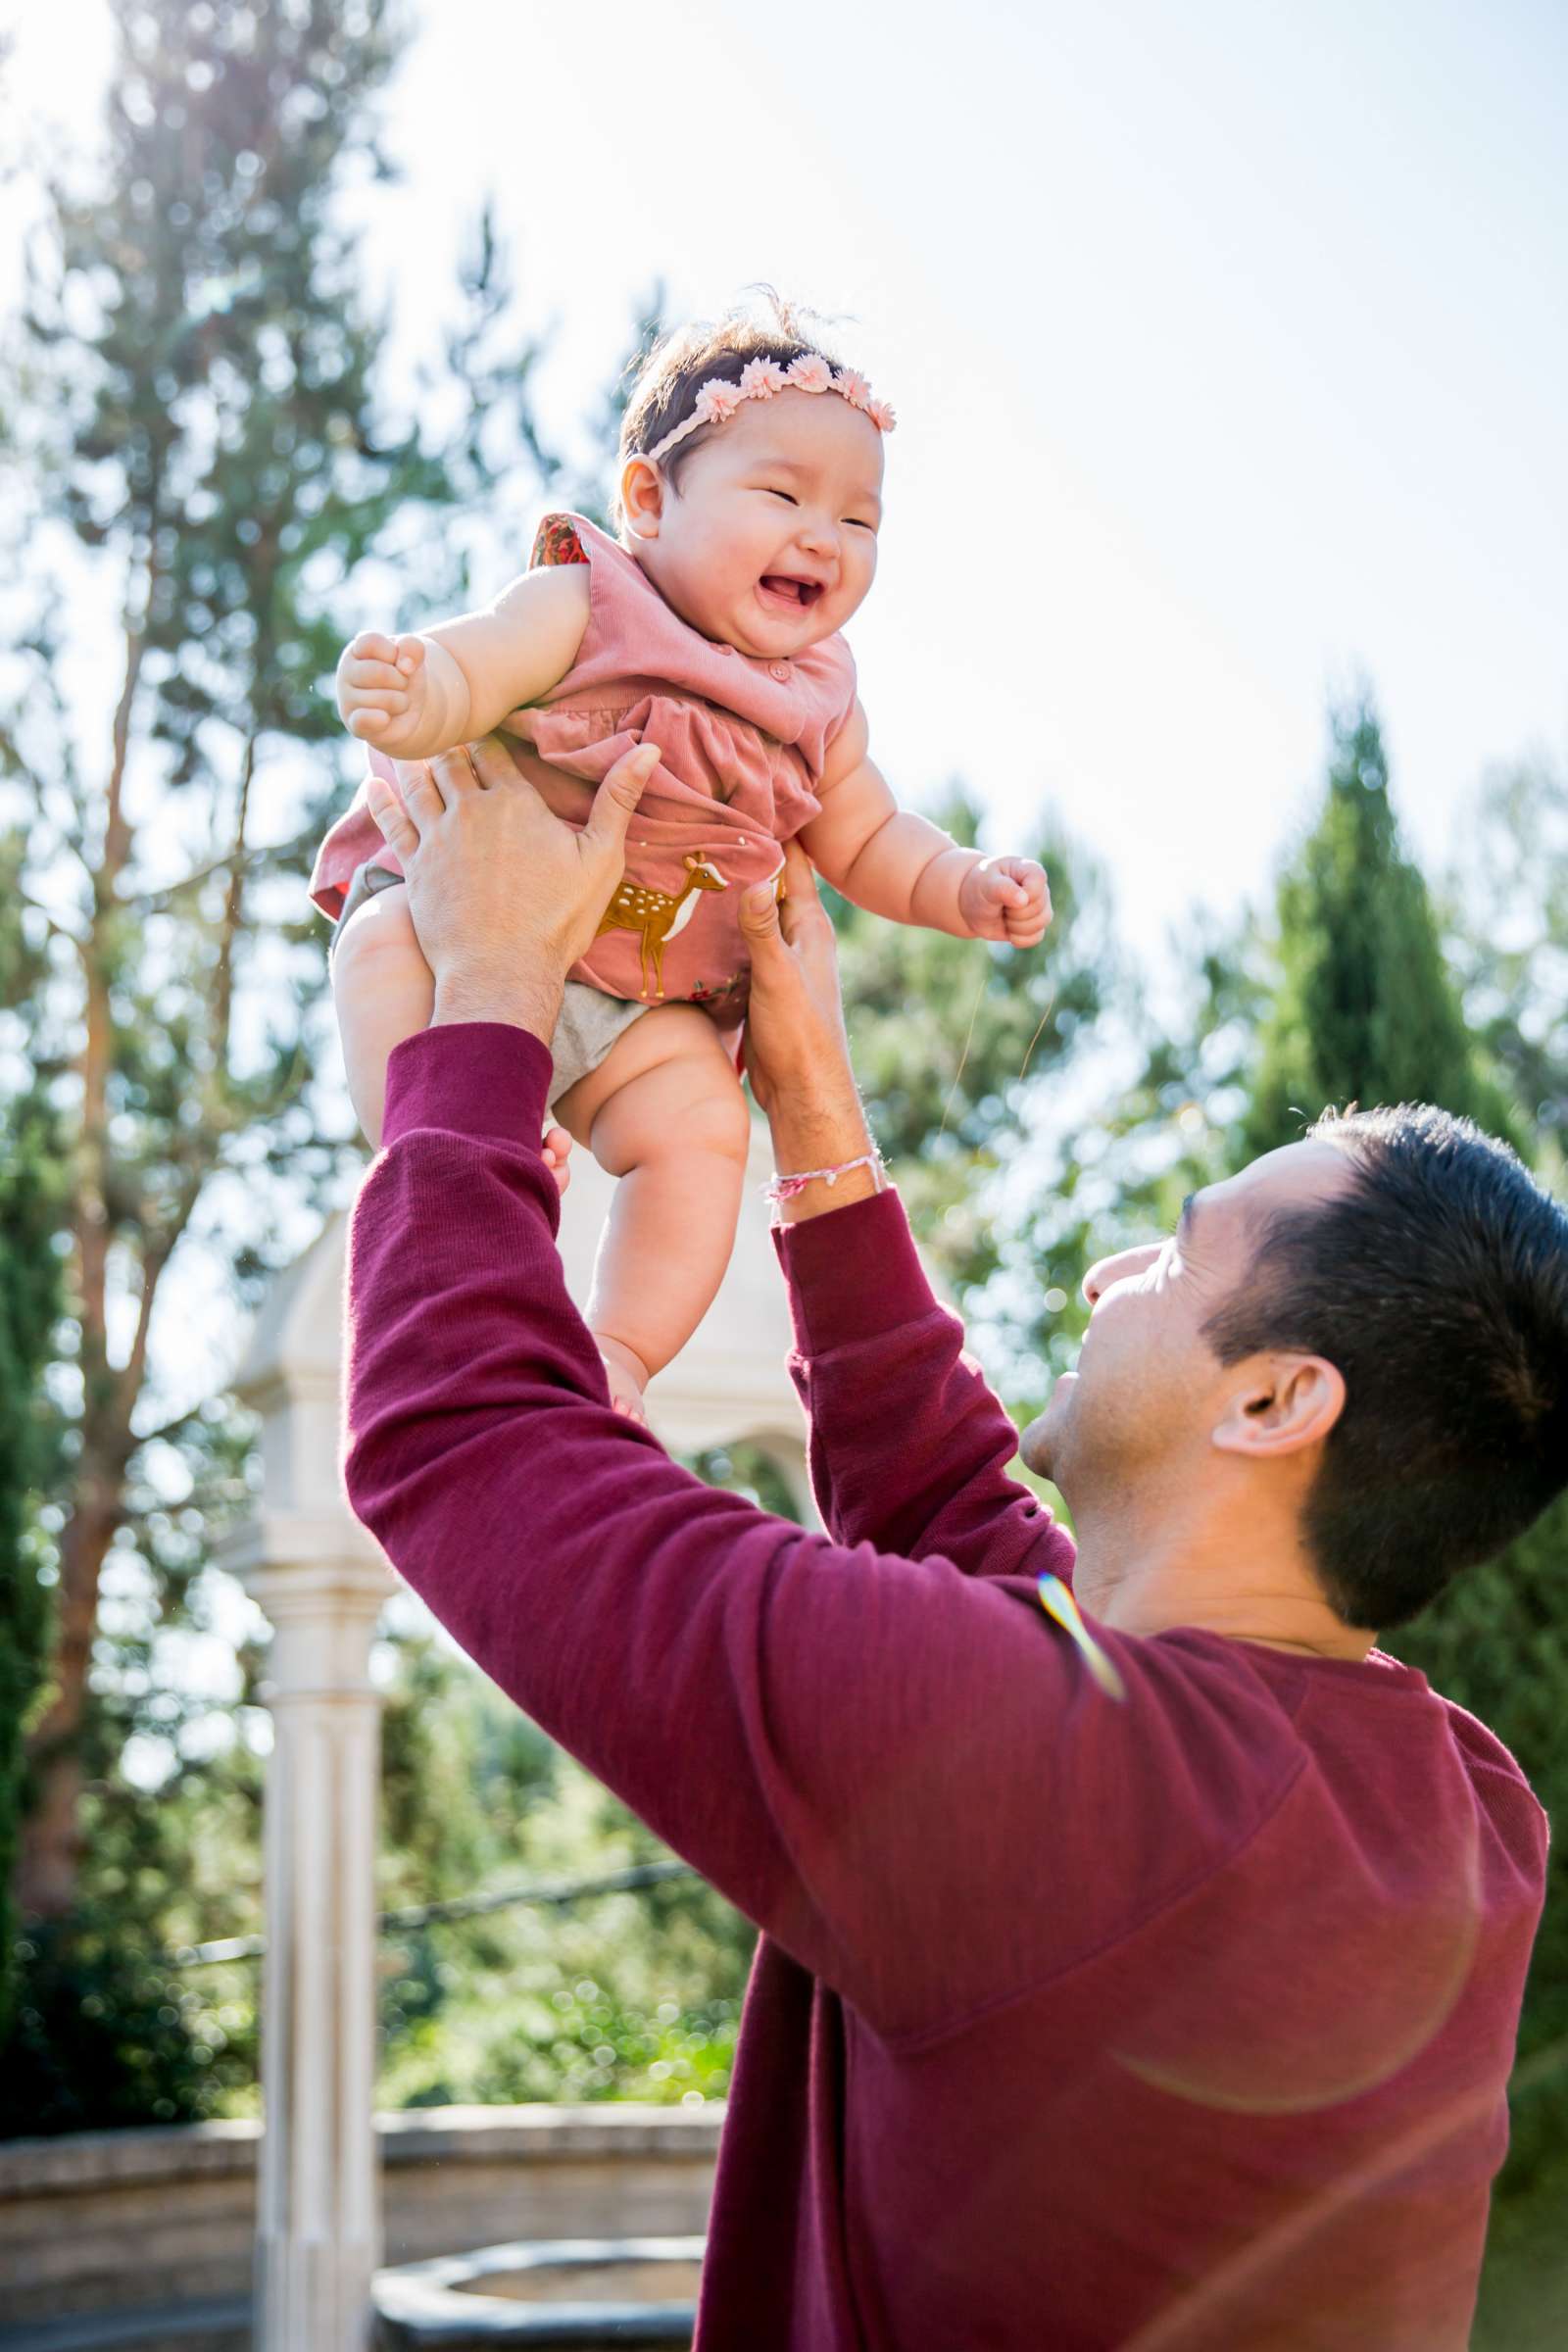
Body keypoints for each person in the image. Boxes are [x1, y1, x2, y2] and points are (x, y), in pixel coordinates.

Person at [341, 739, 1560, 2351]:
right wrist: (815, 1113)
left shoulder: (1056, 1780)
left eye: (1182, 1252)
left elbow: (465, 1437)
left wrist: (490, 980)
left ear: (1272, 1398)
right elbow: (989, 1556)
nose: (1115, 1267)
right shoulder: (1459, 1812)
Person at [311, 294, 1050, 1417]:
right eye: (782, 493)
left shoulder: (818, 702)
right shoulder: (589, 603)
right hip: (464, 919)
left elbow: (868, 836)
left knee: (704, 1131)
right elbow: (478, 666)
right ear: (649, 500)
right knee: (376, 952)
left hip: (642, 993)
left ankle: (619, 1354)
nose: (823, 537)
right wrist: (417, 693)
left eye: (860, 520)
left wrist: (959, 885)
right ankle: (451, 1140)